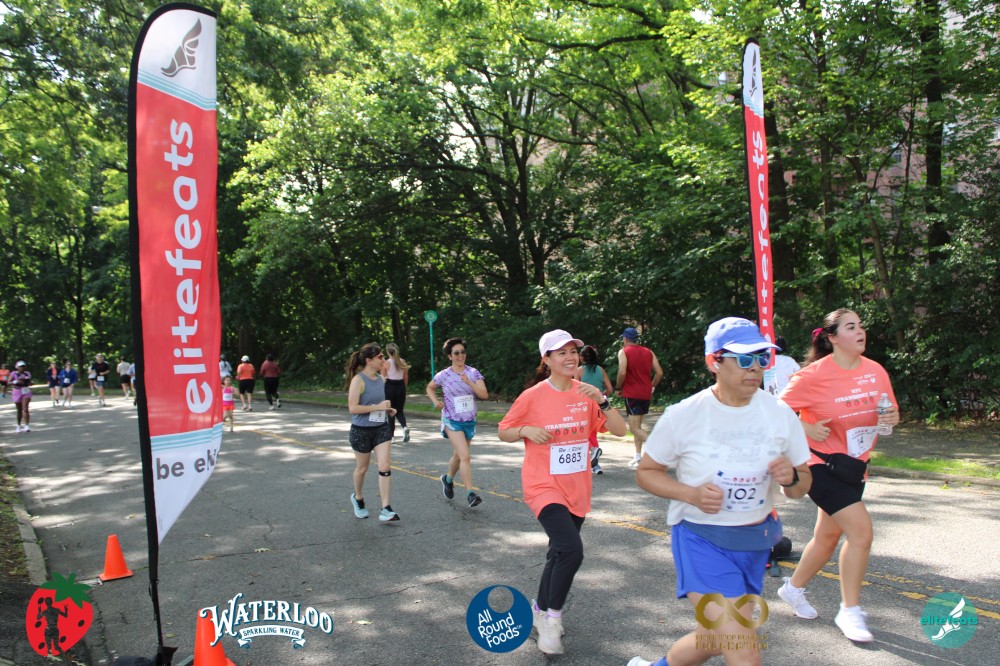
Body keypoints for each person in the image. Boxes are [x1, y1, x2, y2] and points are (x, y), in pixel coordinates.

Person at [629, 317, 812, 666]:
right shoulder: (684, 415)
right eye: (744, 359)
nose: (755, 367)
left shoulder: (779, 413)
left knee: (713, 639)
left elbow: (801, 485)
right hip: (702, 540)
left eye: (762, 358)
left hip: (755, 543)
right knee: (742, 647)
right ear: (714, 361)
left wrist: (790, 478)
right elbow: (647, 472)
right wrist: (691, 494)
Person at [498, 330, 626, 656]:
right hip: (543, 485)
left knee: (558, 552)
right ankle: (552, 620)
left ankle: (539, 609)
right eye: (561, 353)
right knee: (571, 550)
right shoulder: (533, 396)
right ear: (547, 359)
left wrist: (602, 400)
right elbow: (504, 430)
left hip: (577, 488)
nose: (570, 357)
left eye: (573, 351)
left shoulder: (587, 393)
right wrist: (525, 430)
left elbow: (621, 430)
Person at [776, 309, 899, 643]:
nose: (860, 331)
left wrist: (890, 418)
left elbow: (890, 411)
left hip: (854, 466)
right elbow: (773, 410)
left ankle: (792, 588)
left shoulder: (875, 371)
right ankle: (849, 610)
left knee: (827, 537)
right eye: (851, 326)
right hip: (818, 464)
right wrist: (805, 427)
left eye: (861, 325)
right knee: (861, 533)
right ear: (832, 338)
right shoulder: (813, 375)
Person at [426, 337, 489, 508]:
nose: (460, 355)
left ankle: (447, 479)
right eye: (456, 353)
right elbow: (430, 387)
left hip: (469, 421)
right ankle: (470, 494)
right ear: (450, 356)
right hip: (451, 420)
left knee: (458, 455)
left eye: (463, 352)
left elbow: (484, 395)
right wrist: (435, 401)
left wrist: (470, 383)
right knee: (465, 456)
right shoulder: (444, 375)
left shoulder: (473, 373)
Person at [345, 343, 399, 522]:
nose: (383, 359)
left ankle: (386, 508)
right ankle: (358, 498)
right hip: (361, 431)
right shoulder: (358, 380)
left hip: (381, 429)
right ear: (369, 360)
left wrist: (388, 410)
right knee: (362, 469)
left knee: (384, 466)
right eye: (380, 357)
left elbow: (379, 406)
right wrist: (377, 407)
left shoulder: (381, 379)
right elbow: (353, 408)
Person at [615, 327, 664, 468]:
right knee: (638, 426)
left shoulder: (624, 352)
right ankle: (637, 456)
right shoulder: (649, 352)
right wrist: (652, 386)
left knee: (634, 428)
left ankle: (660, 450)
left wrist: (618, 387)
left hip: (632, 393)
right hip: (645, 393)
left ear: (625, 339)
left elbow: (622, 372)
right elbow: (659, 373)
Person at [574, 345, 614, 475]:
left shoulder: (579, 371)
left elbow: (574, 389)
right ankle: (595, 465)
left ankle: (593, 454)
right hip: (598, 405)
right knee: (592, 433)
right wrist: (601, 396)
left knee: (580, 433)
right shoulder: (600, 370)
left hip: (583, 405)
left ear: (581, 357)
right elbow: (610, 388)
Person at [381, 343, 410, 442]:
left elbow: (383, 377)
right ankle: (404, 427)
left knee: (390, 411)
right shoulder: (402, 361)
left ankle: (392, 436)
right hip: (400, 386)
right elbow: (405, 376)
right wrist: (404, 387)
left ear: (388, 352)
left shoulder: (387, 363)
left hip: (390, 386)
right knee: (400, 410)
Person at [10, 361, 33, 432]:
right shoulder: (13, 373)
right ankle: (18, 425)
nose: (22, 368)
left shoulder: (27, 373)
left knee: (25, 408)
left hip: (25, 390)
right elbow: (8, 382)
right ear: (17, 367)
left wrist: (28, 381)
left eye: (23, 366)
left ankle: (27, 426)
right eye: (20, 366)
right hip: (17, 391)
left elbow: (30, 382)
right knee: (19, 410)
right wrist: (16, 381)